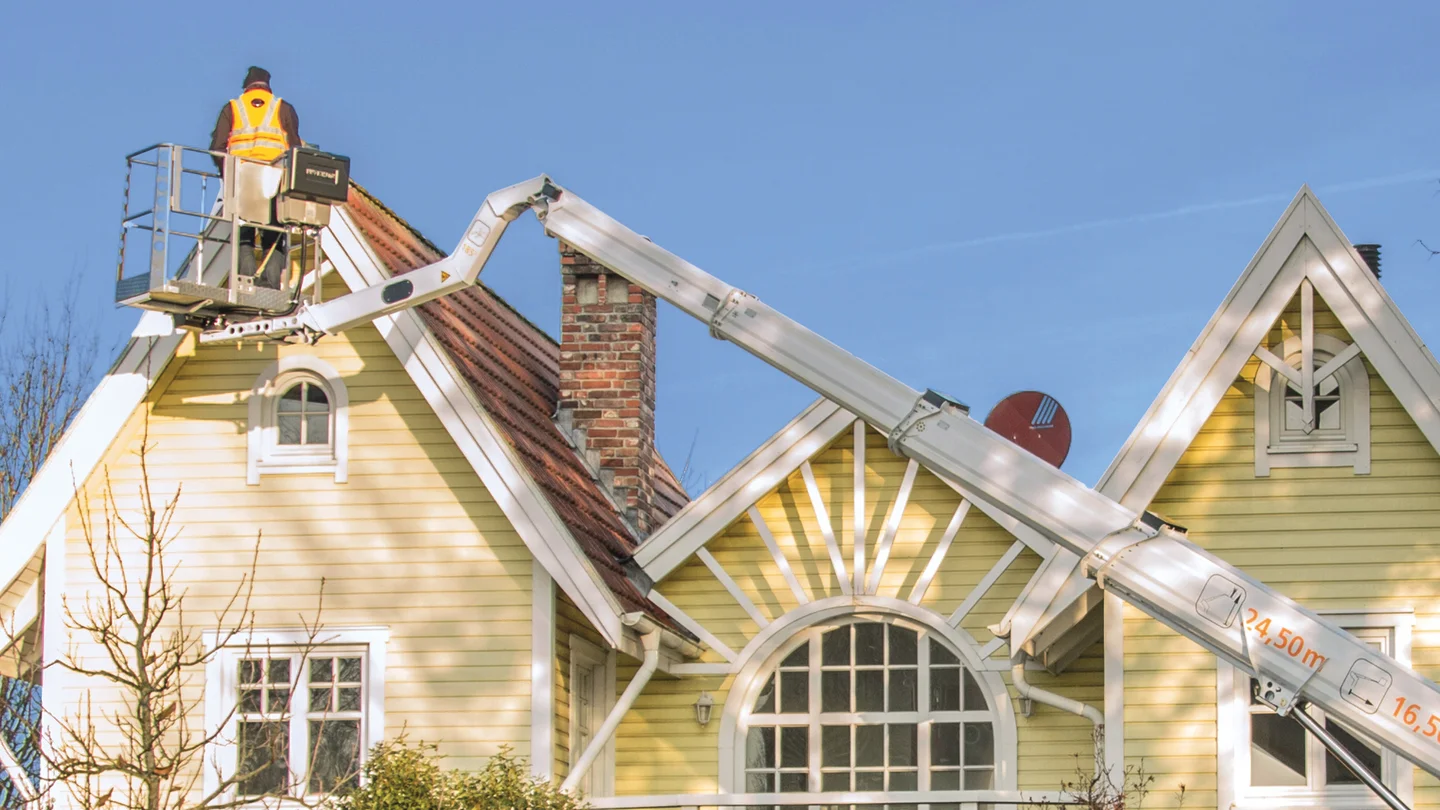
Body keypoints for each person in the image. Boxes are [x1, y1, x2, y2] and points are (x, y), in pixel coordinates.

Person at [209, 67, 301, 290]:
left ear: (246, 86)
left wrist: (227, 175)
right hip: (274, 178)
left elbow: (217, 147)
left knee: (244, 232)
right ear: (268, 86)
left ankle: (246, 281)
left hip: (241, 178)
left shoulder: (232, 108)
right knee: (274, 232)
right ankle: (270, 282)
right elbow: (296, 150)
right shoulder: (283, 108)